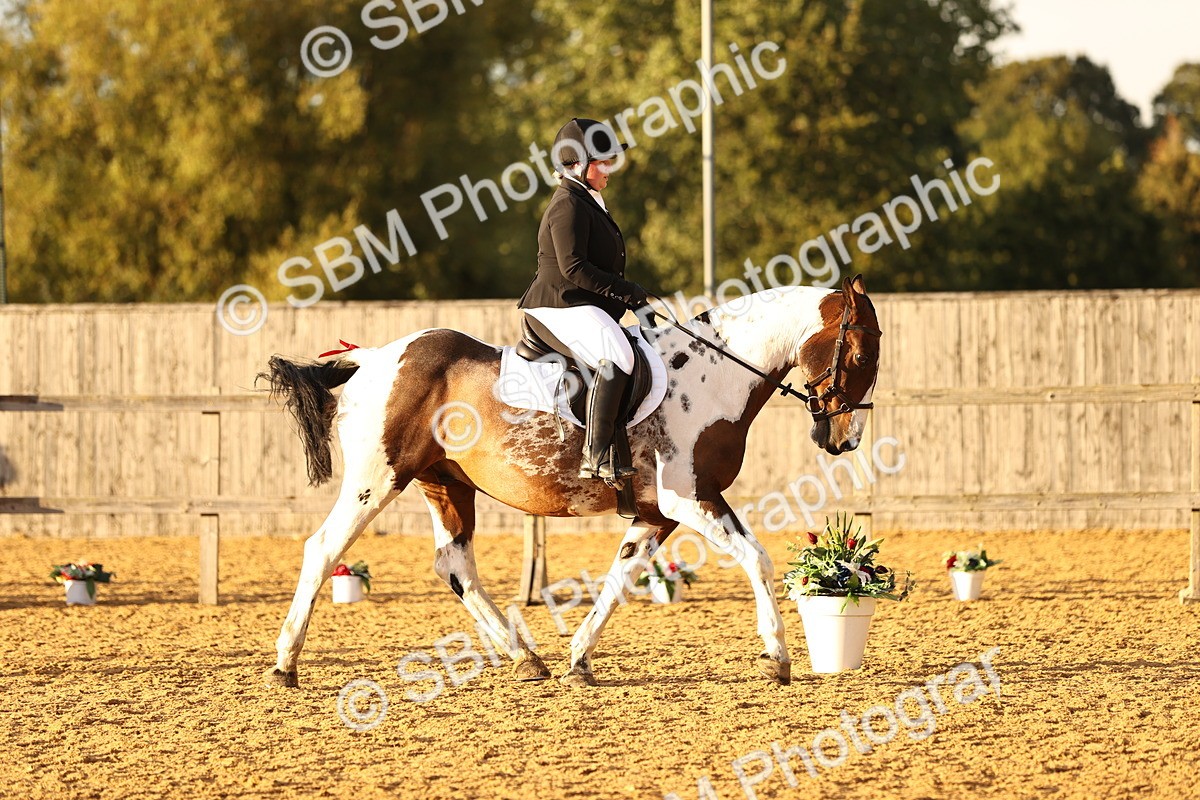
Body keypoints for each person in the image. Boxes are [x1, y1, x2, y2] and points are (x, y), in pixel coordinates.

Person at [518, 118, 651, 484]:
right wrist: (627, 291)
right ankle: (595, 454)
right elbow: (574, 268)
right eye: (602, 161)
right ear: (577, 163)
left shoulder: (588, 199)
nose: (609, 168)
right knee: (620, 357)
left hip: (578, 304)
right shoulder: (567, 204)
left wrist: (631, 299)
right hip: (558, 305)